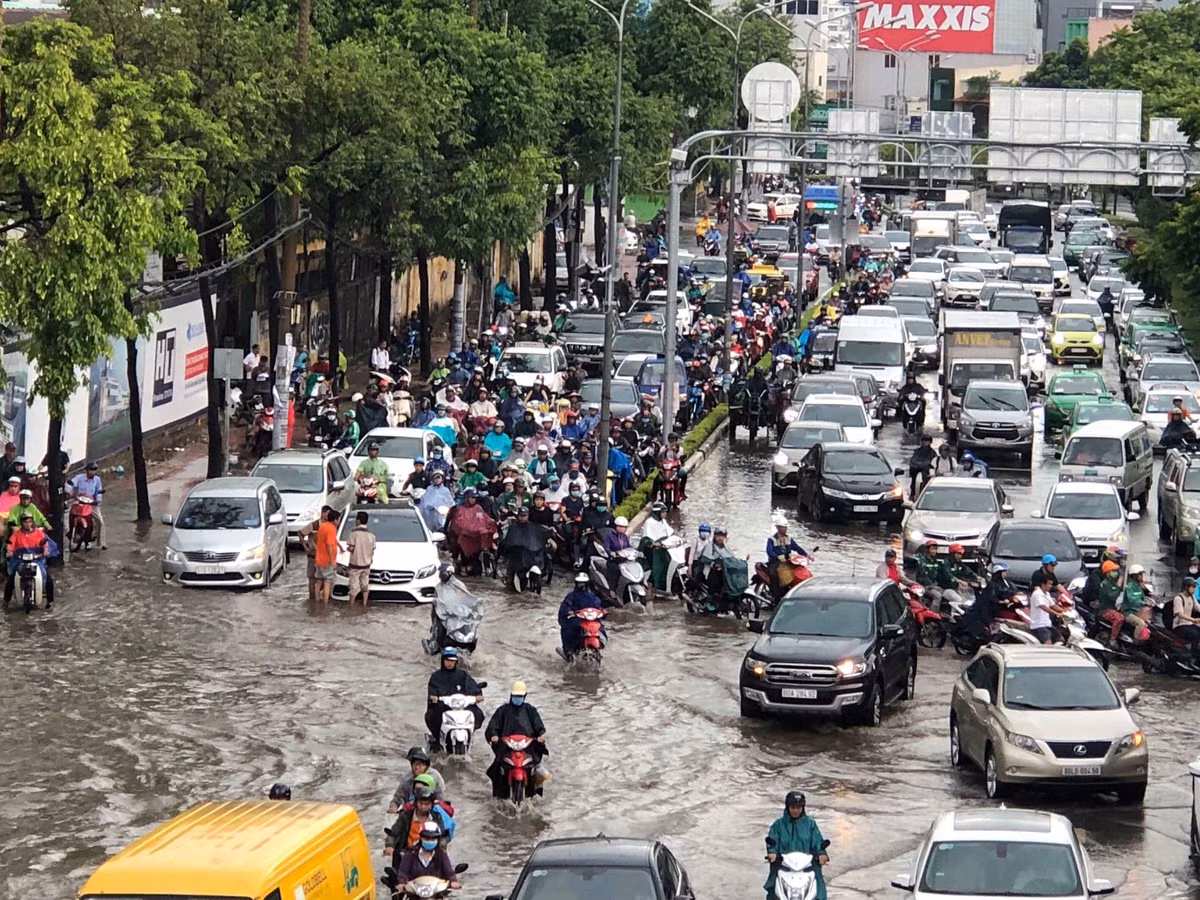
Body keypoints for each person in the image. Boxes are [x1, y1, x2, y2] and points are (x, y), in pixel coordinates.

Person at [485, 680, 549, 798]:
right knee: (496, 769)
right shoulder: (503, 710)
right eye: (515, 696)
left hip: (527, 747)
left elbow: (538, 726)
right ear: (511, 695)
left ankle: (536, 792)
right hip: (506, 747)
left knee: (538, 768)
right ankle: (497, 796)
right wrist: (493, 735)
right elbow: (493, 726)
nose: (517, 698)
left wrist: (540, 736)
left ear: (524, 696)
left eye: (519, 696)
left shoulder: (530, 710)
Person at [764, 791, 828, 900]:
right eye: (793, 807)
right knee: (772, 888)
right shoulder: (778, 825)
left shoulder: (810, 824)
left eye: (799, 808)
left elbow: (817, 841)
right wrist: (772, 852)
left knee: (819, 887)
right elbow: (772, 840)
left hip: (807, 867)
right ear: (787, 807)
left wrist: (822, 853)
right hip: (783, 866)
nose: (796, 810)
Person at [425, 647, 484, 752]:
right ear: (443, 660)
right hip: (443, 707)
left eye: (452, 661)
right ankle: (437, 740)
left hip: (462, 707)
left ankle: (469, 735)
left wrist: (477, 695)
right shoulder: (436, 676)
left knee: (478, 714)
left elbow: (472, 687)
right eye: (447, 660)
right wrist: (434, 697)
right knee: (432, 716)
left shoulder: (462, 675)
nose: (450, 663)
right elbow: (432, 691)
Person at [385, 787, 457, 860]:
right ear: (416, 803)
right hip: (406, 854)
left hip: (430, 855)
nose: (423, 806)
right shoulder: (405, 816)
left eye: (426, 804)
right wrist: (389, 846)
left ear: (432, 804)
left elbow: (442, 837)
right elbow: (393, 833)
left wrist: (442, 849)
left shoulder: (437, 817)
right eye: (421, 803)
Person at [389, 820, 461, 891]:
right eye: (427, 838)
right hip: (414, 894)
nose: (430, 841)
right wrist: (402, 883)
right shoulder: (410, 854)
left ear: (437, 839)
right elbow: (403, 873)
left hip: (437, 894)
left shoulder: (442, 854)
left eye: (433, 839)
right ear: (421, 838)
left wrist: (453, 881)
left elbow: (449, 872)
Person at [4, 511, 54, 609]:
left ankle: (50, 600)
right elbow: (10, 544)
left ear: (32, 522)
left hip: (36, 559)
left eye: (29, 522)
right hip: (20, 560)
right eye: (25, 522)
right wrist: (9, 551)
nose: (27, 524)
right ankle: (6, 600)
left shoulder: (39, 533)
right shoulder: (17, 534)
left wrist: (45, 550)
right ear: (21, 523)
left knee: (47, 578)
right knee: (11, 578)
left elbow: (45, 543)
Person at [559, 572, 605, 657]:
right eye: (580, 582)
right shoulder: (571, 596)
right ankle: (569, 650)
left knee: (600, 627)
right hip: (577, 619)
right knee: (569, 629)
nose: (581, 585)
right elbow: (565, 607)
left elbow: (598, 606)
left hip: (590, 619)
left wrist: (602, 611)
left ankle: (600, 644)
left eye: (583, 583)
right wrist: (569, 611)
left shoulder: (593, 596)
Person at [388, 747, 448, 814]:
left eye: (420, 764)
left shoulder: (435, 777)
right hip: (409, 813)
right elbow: (397, 798)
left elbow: (441, 800)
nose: (416, 767)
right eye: (414, 764)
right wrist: (393, 807)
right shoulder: (406, 778)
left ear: (426, 765)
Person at [64, 460, 106, 549]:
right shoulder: (79, 478)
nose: (92, 472)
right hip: (79, 502)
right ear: (86, 470)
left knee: (100, 522)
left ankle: (101, 543)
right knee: (71, 515)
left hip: (92, 504)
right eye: (90, 470)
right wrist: (70, 491)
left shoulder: (97, 480)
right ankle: (71, 533)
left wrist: (98, 500)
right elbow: (69, 484)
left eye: (94, 470)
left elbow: (99, 491)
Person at [765, 514, 808, 599]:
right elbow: (769, 551)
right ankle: (776, 598)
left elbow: (797, 548)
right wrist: (777, 557)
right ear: (777, 527)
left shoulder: (789, 538)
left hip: (787, 562)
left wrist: (806, 555)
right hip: (775, 563)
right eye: (783, 527)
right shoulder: (772, 539)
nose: (785, 529)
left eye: (785, 527)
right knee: (775, 578)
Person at [298, 505, 333, 602]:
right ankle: (312, 600)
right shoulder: (314, 525)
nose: (329, 516)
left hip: (324, 558)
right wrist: (305, 547)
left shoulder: (330, 526)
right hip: (312, 556)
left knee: (324, 580)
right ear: (323, 513)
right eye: (328, 514)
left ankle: (319, 603)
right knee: (312, 580)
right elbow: (300, 533)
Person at [640, 502, 675, 595]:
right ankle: (651, 587)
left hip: (662, 548)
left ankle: (663, 587)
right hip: (651, 550)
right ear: (658, 512)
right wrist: (653, 543)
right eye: (663, 512)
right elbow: (646, 538)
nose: (665, 514)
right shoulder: (649, 522)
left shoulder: (663, 522)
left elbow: (670, 533)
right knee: (657, 566)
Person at [345, 511, 377, 606]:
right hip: (366, 564)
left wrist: (347, 549)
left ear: (358, 520)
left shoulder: (353, 533)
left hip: (355, 565)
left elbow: (351, 548)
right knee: (365, 586)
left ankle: (351, 605)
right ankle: (364, 604)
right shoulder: (371, 535)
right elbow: (373, 549)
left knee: (353, 587)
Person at [1028, 570, 1068, 644]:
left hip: (1047, 624)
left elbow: (1053, 605)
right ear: (1043, 584)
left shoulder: (1047, 594)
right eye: (1049, 584)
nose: (1050, 586)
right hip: (1039, 626)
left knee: (1061, 639)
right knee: (1048, 643)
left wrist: (1065, 611)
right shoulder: (1037, 594)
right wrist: (1056, 613)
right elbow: (1044, 607)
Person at [1118, 563, 1153, 641]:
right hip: (1128, 612)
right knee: (1141, 623)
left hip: (1137, 611)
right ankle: (1136, 640)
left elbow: (1143, 597)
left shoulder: (1138, 586)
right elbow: (1132, 599)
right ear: (1135, 576)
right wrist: (1143, 603)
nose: (1142, 577)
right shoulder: (1130, 586)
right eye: (1140, 574)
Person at [1096, 559, 1128, 640]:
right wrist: (1120, 580)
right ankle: (1113, 639)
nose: (1115, 572)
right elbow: (1114, 595)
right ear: (1108, 573)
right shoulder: (1105, 584)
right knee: (1119, 619)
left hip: (1118, 608)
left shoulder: (1114, 582)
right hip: (1107, 610)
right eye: (1113, 571)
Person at [314, 509, 341, 603]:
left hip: (318, 559)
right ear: (335, 520)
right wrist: (333, 561)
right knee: (328, 581)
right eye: (339, 520)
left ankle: (316, 602)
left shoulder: (323, 526)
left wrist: (340, 547)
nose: (339, 522)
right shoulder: (331, 529)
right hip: (326, 561)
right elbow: (329, 545)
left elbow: (319, 539)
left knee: (318, 581)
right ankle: (325, 604)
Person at [1172, 577, 1200, 645]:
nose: (1194, 589)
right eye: (1193, 586)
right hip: (1179, 626)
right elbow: (1180, 614)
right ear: (1186, 587)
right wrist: (1193, 620)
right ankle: (1194, 654)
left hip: (1189, 624)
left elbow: (1198, 607)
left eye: (1195, 586)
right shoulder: (1178, 598)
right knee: (1195, 634)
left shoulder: (1192, 597)